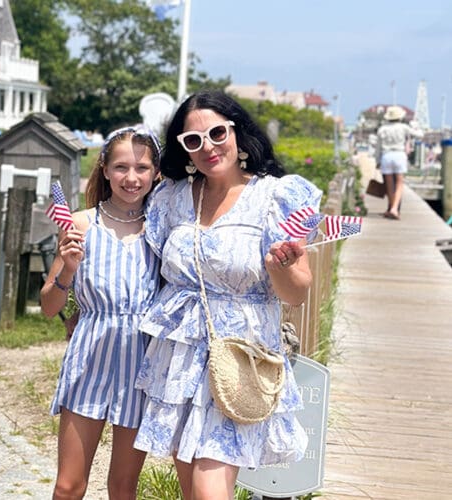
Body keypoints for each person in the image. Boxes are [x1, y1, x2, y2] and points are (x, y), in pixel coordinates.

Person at [133, 90, 323, 499]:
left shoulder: (274, 197)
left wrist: (281, 266)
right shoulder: (172, 198)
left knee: (207, 491)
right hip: (180, 361)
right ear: (183, 148)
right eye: (193, 140)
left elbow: (297, 293)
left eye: (217, 133)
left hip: (239, 359)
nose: (208, 147)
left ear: (237, 132)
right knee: (193, 491)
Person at [40, 125, 161, 499]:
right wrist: (69, 269)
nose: (131, 177)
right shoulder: (80, 224)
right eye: (122, 167)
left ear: (156, 173)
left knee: (123, 488)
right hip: (90, 358)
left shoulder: (162, 230)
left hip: (141, 364)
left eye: (142, 168)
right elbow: (48, 307)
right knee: (68, 485)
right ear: (105, 169)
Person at [375, 105, 423, 220]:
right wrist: (417, 127)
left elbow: (378, 148)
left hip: (386, 156)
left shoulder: (382, 129)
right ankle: (394, 209)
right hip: (399, 155)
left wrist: (377, 161)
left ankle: (392, 207)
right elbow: (420, 135)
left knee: (389, 185)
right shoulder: (403, 127)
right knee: (400, 183)